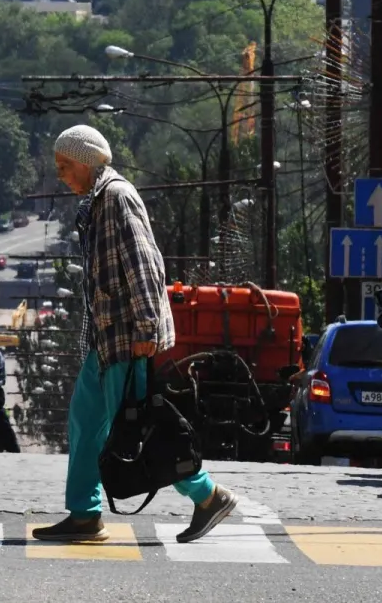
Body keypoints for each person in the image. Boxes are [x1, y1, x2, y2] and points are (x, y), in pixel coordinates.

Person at [32, 125, 236, 545]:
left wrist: (146, 327)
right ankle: (85, 515)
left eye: (65, 165)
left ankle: (207, 495)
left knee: (142, 427)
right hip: (104, 341)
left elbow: (144, 265)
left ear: (87, 160)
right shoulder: (96, 201)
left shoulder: (117, 198)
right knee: (85, 423)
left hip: (128, 336)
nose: (62, 175)